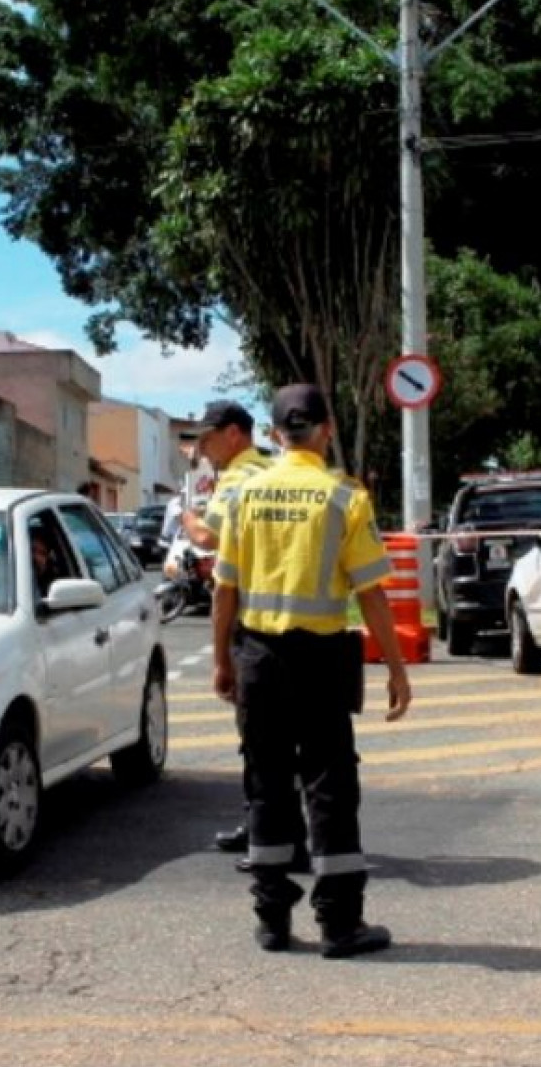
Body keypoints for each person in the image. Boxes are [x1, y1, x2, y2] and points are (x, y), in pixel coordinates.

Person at [211, 383, 410, 958]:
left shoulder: (246, 495)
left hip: (258, 658)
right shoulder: (345, 497)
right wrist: (397, 668)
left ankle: (272, 921)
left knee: (265, 784)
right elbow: (371, 593)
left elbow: (226, 588)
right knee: (329, 786)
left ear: (275, 435)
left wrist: (222, 660)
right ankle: (339, 924)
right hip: (322, 662)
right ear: (325, 431)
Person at [175, 400, 281, 863]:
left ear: (234, 433)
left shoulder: (238, 479)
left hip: (251, 621)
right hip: (292, 619)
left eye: (208, 437)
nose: (203, 447)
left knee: (257, 736)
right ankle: (276, 826)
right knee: (285, 738)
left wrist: (187, 518)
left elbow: (209, 539)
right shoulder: (271, 471)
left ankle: (266, 830)